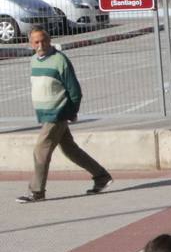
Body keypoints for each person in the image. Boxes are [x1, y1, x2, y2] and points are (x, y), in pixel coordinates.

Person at [18, 27, 111, 203]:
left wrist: (72, 111)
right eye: (36, 42)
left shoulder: (60, 60)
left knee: (41, 150)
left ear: (50, 40)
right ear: (31, 44)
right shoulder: (33, 61)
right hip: (45, 114)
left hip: (57, 113)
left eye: (44, 40)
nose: (41, 45)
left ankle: (36, 191)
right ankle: (101, 176)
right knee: (70, 150)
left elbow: (74, 90)